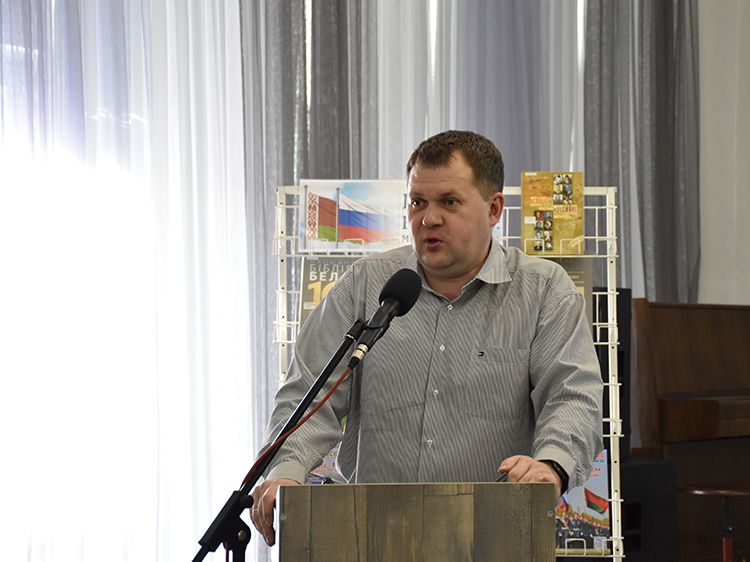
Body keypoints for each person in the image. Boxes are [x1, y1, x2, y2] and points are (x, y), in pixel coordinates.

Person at [250, 130, 603, 546]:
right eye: (417, 202)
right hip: (372, 534)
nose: (429, 219)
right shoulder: (366, 285)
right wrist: (287, 472)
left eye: (449, 202)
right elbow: (310, 393)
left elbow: (572, 396)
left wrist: (551, 465)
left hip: (491, 537)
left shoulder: (543, 290)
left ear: (493, 209)